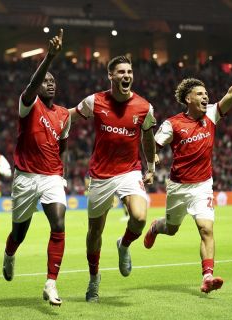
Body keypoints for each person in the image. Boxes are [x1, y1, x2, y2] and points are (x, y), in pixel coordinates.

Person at [143, 57, 232, 294]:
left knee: (206, 229)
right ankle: (155, 227)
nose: (206, 97)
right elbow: (153, 145)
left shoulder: (212, 114)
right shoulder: (172, 124)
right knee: (171, 229)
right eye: (200, 94)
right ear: (188, 99)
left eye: (206, 93)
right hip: (178, 187)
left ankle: (207, 276)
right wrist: (152, 158)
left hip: (203, 185)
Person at [69, 55, 156, 302]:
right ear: (110, 75)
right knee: (95, 231)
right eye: (121, 72)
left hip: (129, 171)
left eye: (129, 71)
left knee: (139, 218)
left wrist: (150, 167)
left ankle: (124, 245)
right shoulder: (94, 101)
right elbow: (70, 116)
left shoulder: (144, 107)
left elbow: (147, 138)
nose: (126, 75)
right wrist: (45, 115)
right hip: (100, 175)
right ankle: (94, 278)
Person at [2, 29, 70, 307]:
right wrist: (50, 58)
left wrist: (60, 174)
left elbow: (62, 147)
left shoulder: (64, 115)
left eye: (54, 81)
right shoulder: (27, 106)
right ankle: (9, 253)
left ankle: (50, 283)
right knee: (20, 232)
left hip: (51, 177)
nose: (50, 84)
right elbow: (32, 85)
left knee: (59, 224)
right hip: (26, 178)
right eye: (46, 81)